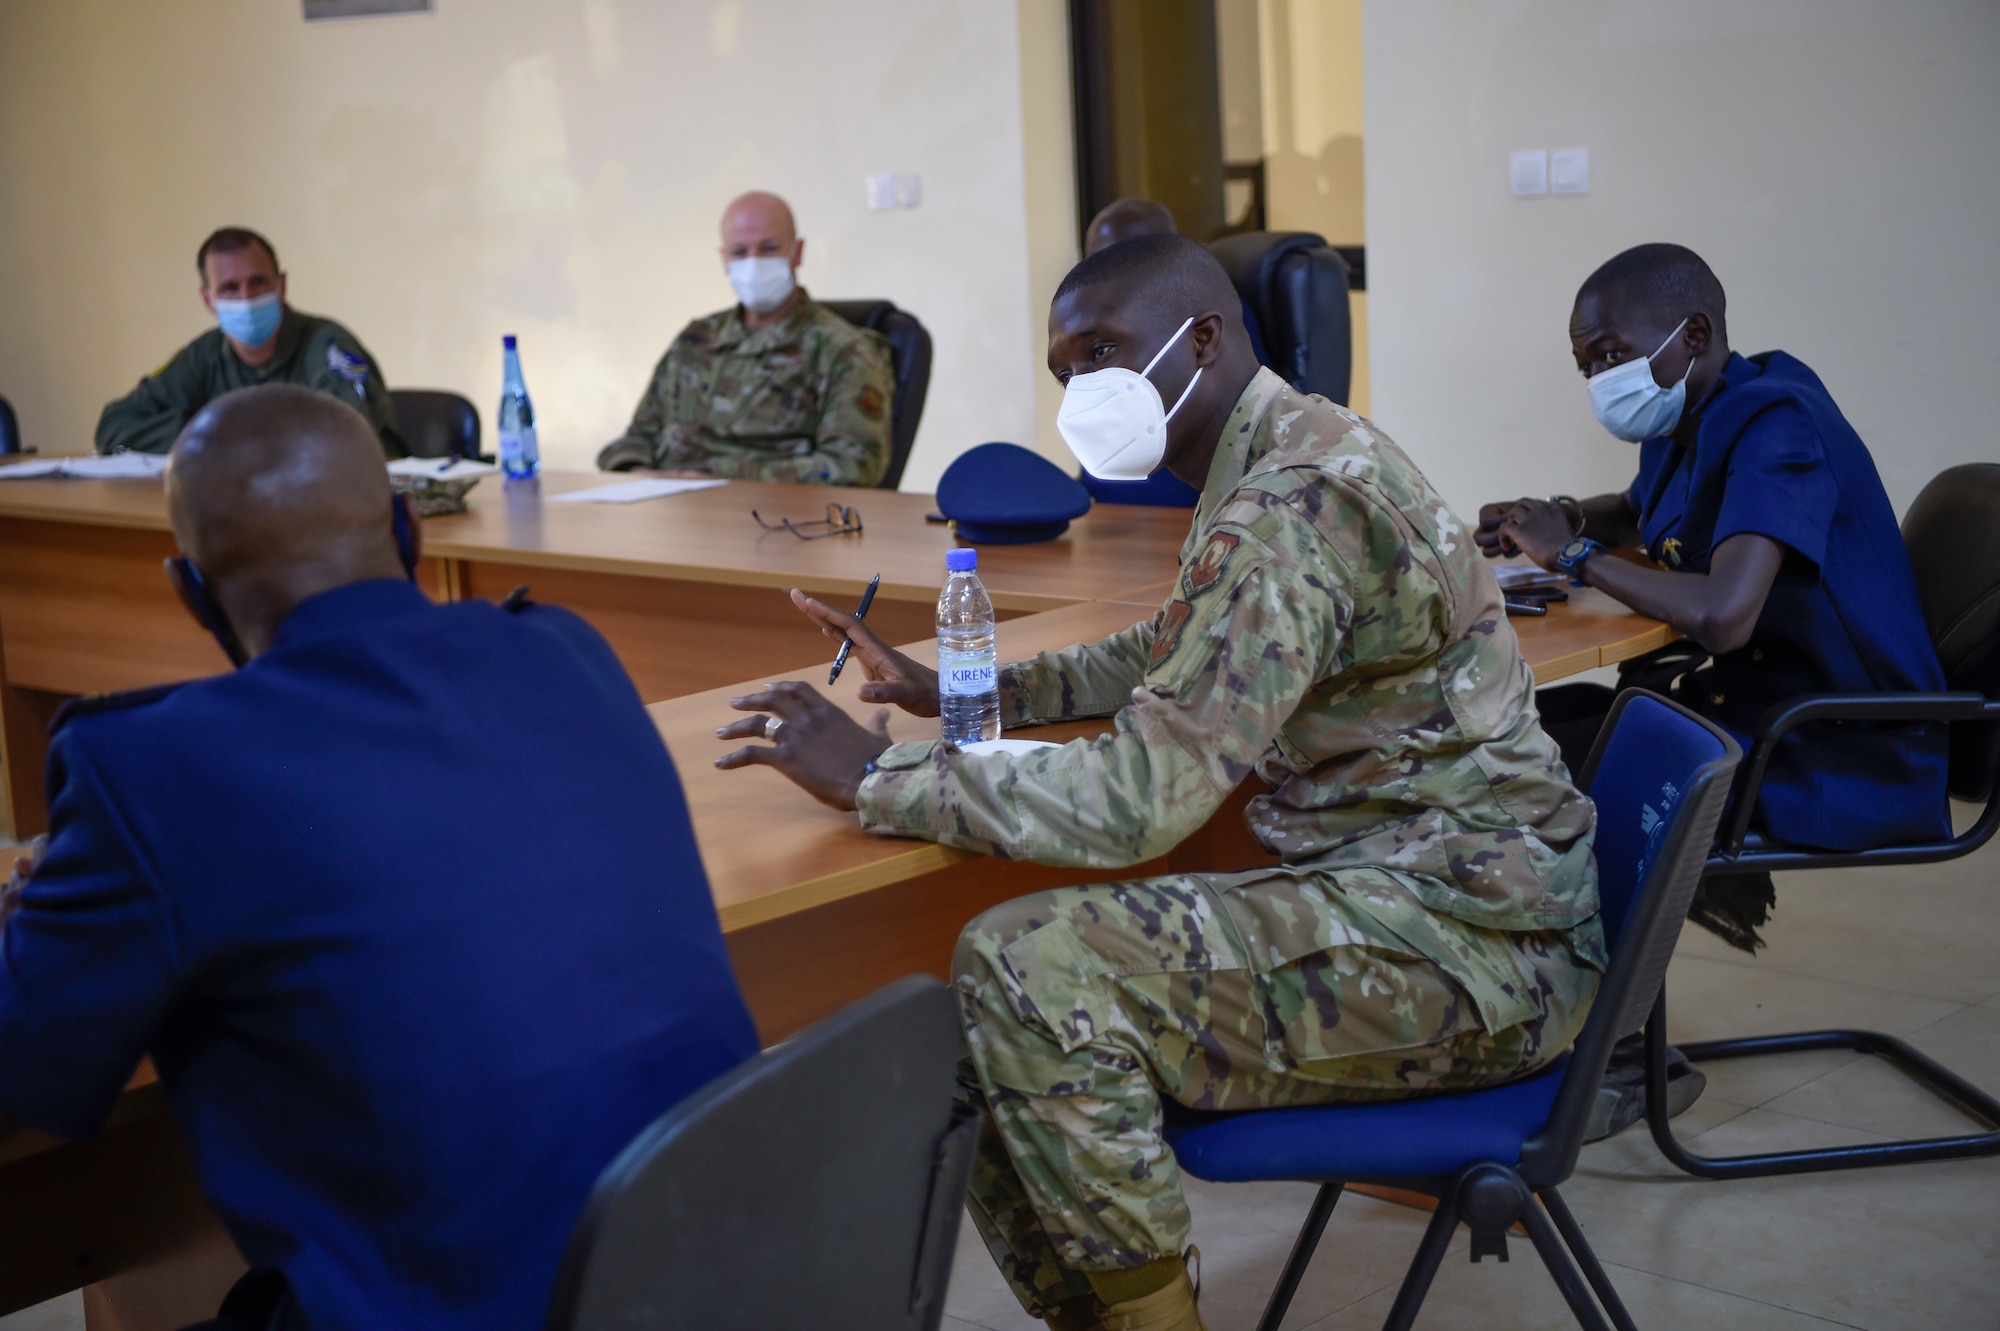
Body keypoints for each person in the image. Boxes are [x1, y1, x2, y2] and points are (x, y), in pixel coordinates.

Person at [712, 236, 1604, 1331]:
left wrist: (875, 776)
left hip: (1474, 946)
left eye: (1103, 351)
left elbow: (1142, 801)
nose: (1083, 389)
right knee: (970, 1019)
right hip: (1415, 900)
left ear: (1205, 339)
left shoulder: (1290, 503)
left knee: (1028, 964)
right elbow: (1171, 651)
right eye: (1064, 370)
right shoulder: (1278, 452)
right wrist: (968, 685)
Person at [0, 385, 758, 1331]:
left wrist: (49, 916)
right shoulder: (567, 648)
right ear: (408, 527)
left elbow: (22, 1075)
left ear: (188, 591)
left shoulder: (155, 769)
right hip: (729, 1269)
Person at [1475, 243, 1949, 943]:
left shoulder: (1779, 423)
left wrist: (1573, 553)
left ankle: (1607, 1025)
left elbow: (1722, 617)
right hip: (1756, 708)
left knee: (1535, 771)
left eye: (1610, 356)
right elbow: (1643, 508)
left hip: (1836, 743)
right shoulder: (1696, 410)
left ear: (1693, 334)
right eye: (1587, 366)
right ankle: (1592, 1009)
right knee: (1525, 727)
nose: (1600, 380)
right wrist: (1550, 516)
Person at [596, 191, 895, 485]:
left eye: (768, 249)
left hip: (766, 518)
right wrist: (636, 473)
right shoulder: (696, 339)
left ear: (797, 252)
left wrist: (722, 477)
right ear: (724, 260)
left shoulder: (842, 351)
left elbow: (853, 467)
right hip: (670, 512)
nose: (753, 263)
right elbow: (638, 437)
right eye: (739, 252)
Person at [96, 227, 405, 457]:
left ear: (281, 285)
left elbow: (346, 432)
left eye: (258, 283)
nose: (246, 299)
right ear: (208, 299)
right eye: (230, 288)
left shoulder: (326, 344)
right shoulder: (204, 354)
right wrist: (204, 436)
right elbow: (115, 424)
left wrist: (237, 439)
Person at [1084, 196, 1270, 369]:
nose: (1104, 277)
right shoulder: (1104, 321)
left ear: (1165, 254)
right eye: (1095, 264)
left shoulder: (1207, 314)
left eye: (1119, 262)